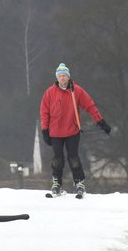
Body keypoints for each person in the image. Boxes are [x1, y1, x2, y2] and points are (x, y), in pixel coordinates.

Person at [39, 62, 111, 197]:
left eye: (64, 75)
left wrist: (100, 121)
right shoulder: (50, 93)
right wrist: (45, 130)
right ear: (57, 77)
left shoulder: (76, 90)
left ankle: (79, 183)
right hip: (55, 132)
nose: (62, 78)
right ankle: (57, 183)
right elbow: (44, 112)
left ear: (68, 77)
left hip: (72, 130)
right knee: (57, 158)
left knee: (73, 157)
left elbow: (90, 105)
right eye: (60, 76)